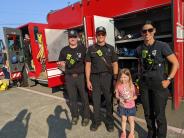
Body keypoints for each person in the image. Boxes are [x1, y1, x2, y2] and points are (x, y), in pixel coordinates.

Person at [136, 21, 179, 138]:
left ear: (154, 31)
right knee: (148, 113)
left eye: (150, 30)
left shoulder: (162, 46)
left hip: (159, 85)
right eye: (144, 31)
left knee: (159, 115)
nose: (147, 33)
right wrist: (139, 80)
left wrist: (169, 80)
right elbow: (139, 64)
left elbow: (176, 63)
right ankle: (151, 134)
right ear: (141, 33)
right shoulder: (139, 49)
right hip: (145, 85)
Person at [85, 26, 118, 132]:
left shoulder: (110, 48)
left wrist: (115, 79)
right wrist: (88, 80)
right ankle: (96, 121)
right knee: (96, 102)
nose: (100, 36)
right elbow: (88, 65)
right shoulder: (91, 49)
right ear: (96, 36)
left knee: (109, 101)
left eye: (102, 34)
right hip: (94, 78)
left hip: (107, 77)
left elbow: (115, 64)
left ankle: (110, 122)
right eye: (98, 34)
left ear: (105, 35)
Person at [58, 30, 90, 126]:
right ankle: (75, 116)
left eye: (74, 37)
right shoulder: (64, 50)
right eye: (70, 37)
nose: (72, 39)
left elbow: (88, 63)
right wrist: (63, 66)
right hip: (69, 78)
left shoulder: (83, 49)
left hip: (81, 77)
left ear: (77, 38)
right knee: (72, 99)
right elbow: (60, 65)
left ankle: (86, 117)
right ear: (68, 39)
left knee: (84, 98)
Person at [115, 68, 137, 138]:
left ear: (129, 77)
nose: (123, 79)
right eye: (121, 77)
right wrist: (119, 99)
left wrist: (131, 98)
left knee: (131, 120)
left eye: (125, 77)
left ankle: (132, 133)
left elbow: (135, 96)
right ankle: (123, 132)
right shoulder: (118, 85)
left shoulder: (132, 86)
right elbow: (117, 95)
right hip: (122, 106)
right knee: (123, 120)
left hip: (131, 106)